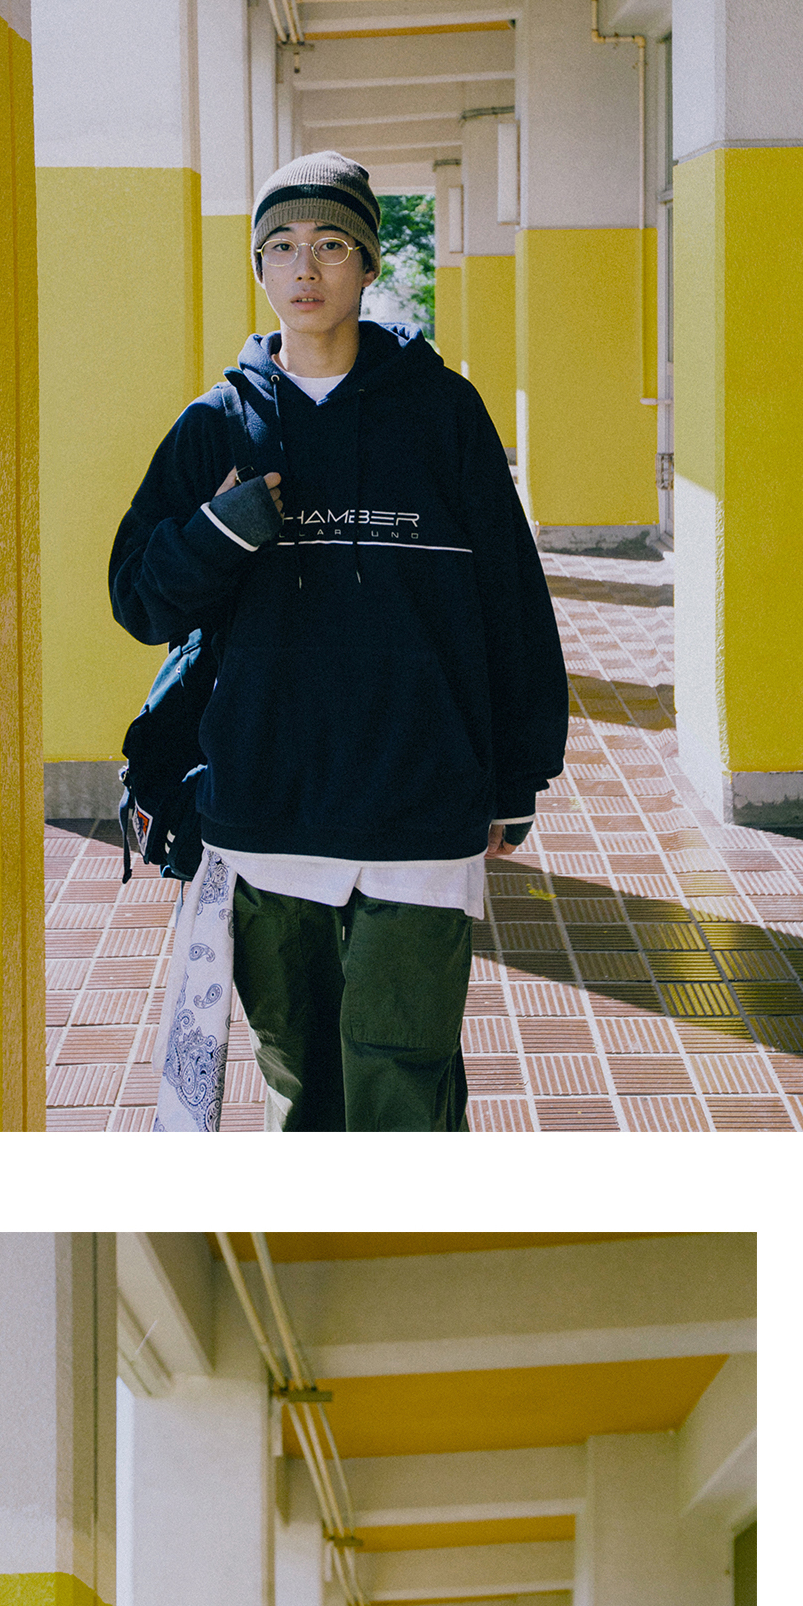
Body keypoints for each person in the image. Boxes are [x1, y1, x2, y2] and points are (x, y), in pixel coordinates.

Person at [108, 152, 569, 1131]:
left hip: (419, 806)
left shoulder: (443, 414)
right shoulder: (217, 425)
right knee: (304, 1087)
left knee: (403, 1089)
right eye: (280, 247)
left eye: (329, 244)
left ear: (367, 263)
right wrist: (218, 532)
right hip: (265, 806)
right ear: (259, 267)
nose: (304, 268)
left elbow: (511, 603)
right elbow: (139, 602)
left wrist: (517, 776)